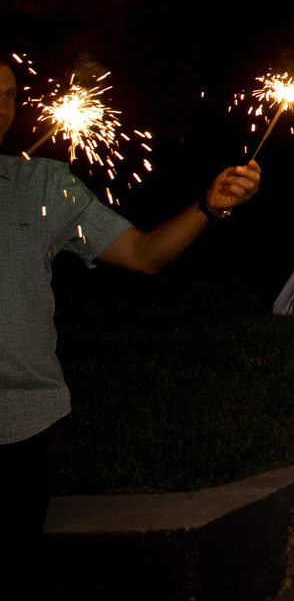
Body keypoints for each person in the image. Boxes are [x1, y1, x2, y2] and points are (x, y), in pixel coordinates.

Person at [3, 60, 261, 563]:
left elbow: (144, 255)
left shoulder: (39, 182)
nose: (0, 108)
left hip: (25, 422)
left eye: (9, 95)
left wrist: (210, 206)